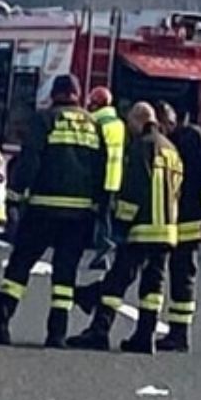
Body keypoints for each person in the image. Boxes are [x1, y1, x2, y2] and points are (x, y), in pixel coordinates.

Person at [0, 74, 107, 348]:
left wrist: (13, 197)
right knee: (65, 277)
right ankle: (56, 334)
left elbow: (30, 161)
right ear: (78, 95)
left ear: (54, 95)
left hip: (43, 209)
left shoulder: (44, 120)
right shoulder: (93, 126)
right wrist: (98, 207)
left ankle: (0, 324)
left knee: (19, 267)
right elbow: (101, 169)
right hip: (80, 215)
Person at [68, 102, 183, 354]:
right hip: (167, 231)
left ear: (139, 120)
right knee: (153, 287)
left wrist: (121, 222)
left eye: (130, 123)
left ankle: (99, 330)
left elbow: (134, 187)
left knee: (116, 282)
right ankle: (145, 336)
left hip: (142, 229)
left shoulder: (142, 147)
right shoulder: (171, 149)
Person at [153, 102, 201, 353]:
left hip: (192, 223)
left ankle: (179, 334)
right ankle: (176, 332)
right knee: (177, 274)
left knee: (183, 276)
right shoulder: (186, 140)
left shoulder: (193, 141)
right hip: (182, 221)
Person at [87, 86, 125, 270]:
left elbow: (94, 153)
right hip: (114, 178)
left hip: (98, 177)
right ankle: (103, 250)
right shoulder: (118, 123)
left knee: (99, 217)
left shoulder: (95, 123)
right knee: (105, 215)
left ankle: (103, 248)